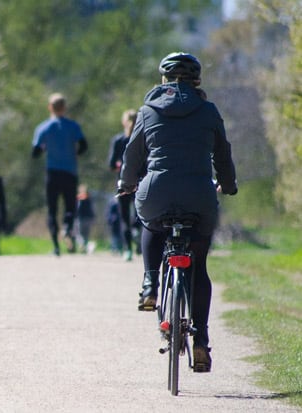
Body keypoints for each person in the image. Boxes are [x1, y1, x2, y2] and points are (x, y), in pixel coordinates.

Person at [118, 52, 237, 372]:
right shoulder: (209, 111)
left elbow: (132, 156)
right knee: (199, 266)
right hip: (199, 196)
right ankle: (201, 340)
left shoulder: (147, 110)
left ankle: (150, 284)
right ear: (197, 81)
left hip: (156, 193)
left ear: (163, 80)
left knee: (151, 222)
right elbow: (222, 155)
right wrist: (228, 184)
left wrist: (126, 184)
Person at [32, 93, 88, 256]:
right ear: (64, 108)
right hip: (70, 172)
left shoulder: (43, 128)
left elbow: (35, 152)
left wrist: (44, 148)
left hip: (52, 173)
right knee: (70, 206)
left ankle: (56, 247)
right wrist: (74, 152)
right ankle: (67, 227)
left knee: (52, 209)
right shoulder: (73, 126)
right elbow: (84, 146)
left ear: (50, 107)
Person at [108, 109, 139, 261]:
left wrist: (120, 166)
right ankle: (137, 232)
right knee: (141, 214)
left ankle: (128, 249)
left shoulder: (118, 140)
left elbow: (111, 164)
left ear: (123, 122)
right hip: (140, 182)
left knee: (125, 218)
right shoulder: (142, 139)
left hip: (123, 183)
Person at [75, 184, 96, 254]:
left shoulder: (79, 198)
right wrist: (93, 217)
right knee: (86, 235)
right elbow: (91, 209)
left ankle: (83, 246)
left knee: (79, 234)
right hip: (88, 219)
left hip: (81, 219)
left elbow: (77, 209)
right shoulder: (89, 198)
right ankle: (85, 248)